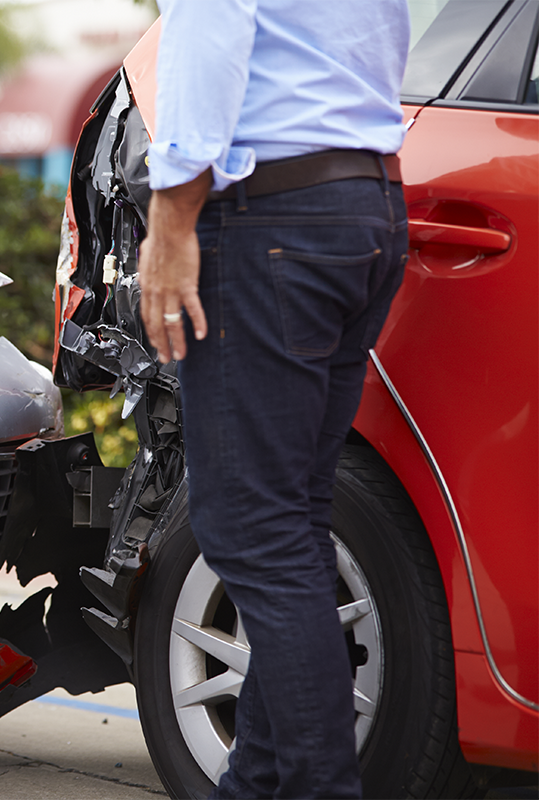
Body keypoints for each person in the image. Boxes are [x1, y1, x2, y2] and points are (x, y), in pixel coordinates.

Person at [137, 1, 409, 798]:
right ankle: (255, 784)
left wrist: (171, 218)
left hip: (272, 220)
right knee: (291, 520)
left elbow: (210, 35)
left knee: (255, 531)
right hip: (364, 206)